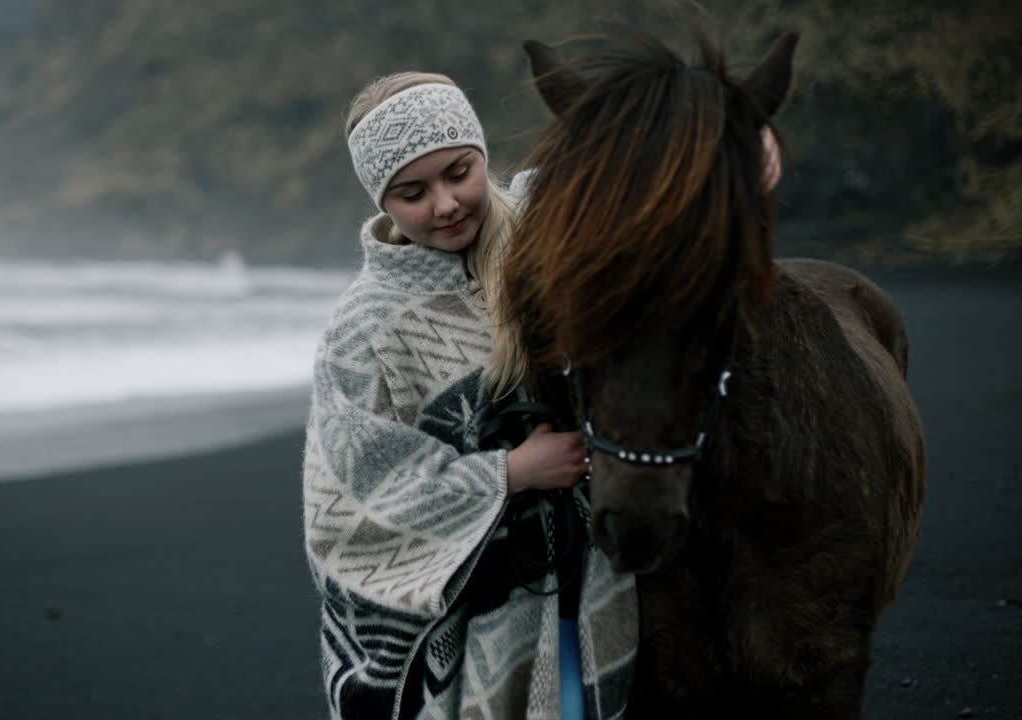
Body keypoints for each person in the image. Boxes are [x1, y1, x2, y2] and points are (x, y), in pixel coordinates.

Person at [302, 71, 783, 720]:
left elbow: (648, 172)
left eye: (459, 172)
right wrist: (508, 473)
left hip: (595, 566)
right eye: (412, 193)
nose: (445, 204)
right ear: (381, 200)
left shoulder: (546, 227)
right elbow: (352, 501)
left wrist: (747, 143)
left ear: (481, 155)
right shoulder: (362, 327)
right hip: (479, 607)